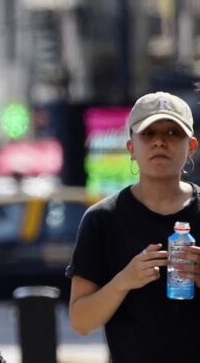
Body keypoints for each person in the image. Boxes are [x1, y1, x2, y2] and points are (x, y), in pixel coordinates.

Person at [67, 91, 200, 362]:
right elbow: (81, 322)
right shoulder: (102, 219)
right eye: (148, 133)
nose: (160, 142)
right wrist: (123, 281)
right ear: (131, 148)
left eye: (173, 133)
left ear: (192, 147)